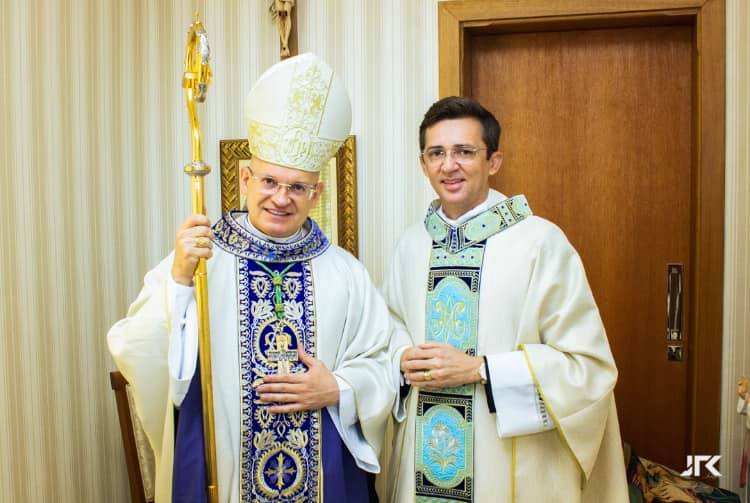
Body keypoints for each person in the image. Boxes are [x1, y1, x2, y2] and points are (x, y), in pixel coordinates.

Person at [108, 54, 394, 503]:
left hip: (322, 474)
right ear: (245, 177)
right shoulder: (202, 260)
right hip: (225, 471)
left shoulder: (345, 272)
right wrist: (180, 281)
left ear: (316, 193)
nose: (281, 198)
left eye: (297, 187)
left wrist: (337, 387)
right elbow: (136, 347)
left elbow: (385, 358)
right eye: (269, 182)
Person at [383, 96, 629, 502]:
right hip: (422, 462)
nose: (449, 165)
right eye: (437, 153)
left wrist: (481, 369)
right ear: (423, 164)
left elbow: (588, 369)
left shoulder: (540, 242)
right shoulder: (411, 245)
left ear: (493, 162)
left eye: (464, 151)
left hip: (508, 470)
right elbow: (388, 329)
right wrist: (400, 358)